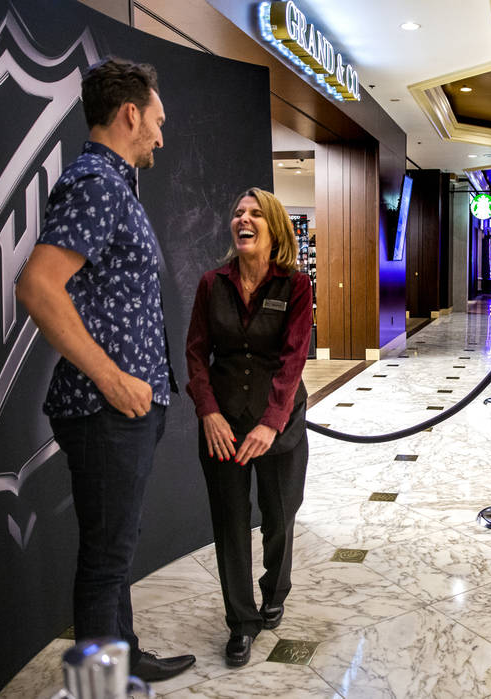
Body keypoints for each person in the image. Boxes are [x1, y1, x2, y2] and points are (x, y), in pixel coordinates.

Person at [16, 58, 195, 682]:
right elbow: (38, 286)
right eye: (157, 120)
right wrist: (113, 378)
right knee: (105, 558)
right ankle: (100, 688)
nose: (160, 136)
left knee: (113, 553)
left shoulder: (112, 183)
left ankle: (123, 656)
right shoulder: (96, 181)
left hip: (121, 411)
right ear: (129, 113)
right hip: (105, 410)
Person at [185, 188, 312, 667]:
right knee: (231, 525)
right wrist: (208, 411)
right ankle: (241, 622)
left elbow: (293, 359)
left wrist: (271, 424)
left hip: (278, 425)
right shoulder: (210, 283)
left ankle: (275, 590)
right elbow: (196, 352)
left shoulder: (295, 286)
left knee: (279, 516)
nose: (244, 218)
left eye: (256, 213)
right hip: (221, 425)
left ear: (274, 227)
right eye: (238, 212)